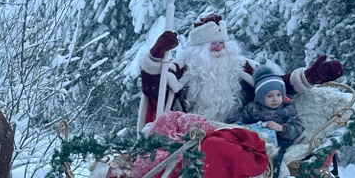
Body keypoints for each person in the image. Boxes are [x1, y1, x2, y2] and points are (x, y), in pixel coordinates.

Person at [137, 14, 343, 130]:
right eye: (211, 44)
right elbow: (154, 88)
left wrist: (310, 77)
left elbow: (276, 87)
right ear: (198, 49)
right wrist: (156, 55)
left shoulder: (242, 67)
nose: (218, 48)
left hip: (235, 134)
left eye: (221, 43)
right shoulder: (183, 70)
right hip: (187, 136)